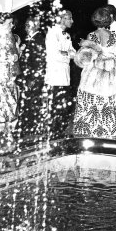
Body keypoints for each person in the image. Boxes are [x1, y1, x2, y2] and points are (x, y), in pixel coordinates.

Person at [73, 7, 116, 138]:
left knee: (92, 104)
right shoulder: (113, 36)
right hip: (110, 79)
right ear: (108, 20)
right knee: (109, 104)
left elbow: (85, 58)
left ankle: (90, 132)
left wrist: (87, 47)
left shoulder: (91, 36)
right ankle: (110, 132)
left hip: (93, 78)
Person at [45, 9, 76, 139]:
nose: (72, 21)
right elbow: (54, 55)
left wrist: (66, 54)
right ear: (63, 19)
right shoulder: (52, 33)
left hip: (65, 75)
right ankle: (53, 134)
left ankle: (59, 133)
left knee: (62, 107)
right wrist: (66, 54)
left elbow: (73, 53)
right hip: (55, 76)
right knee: (55, 108)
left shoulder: (66, 35)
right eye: (70, 18)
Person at [16, 14, 47, 143]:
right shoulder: (30, 39)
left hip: (33, 79)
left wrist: (33, 79)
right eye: (26, 25)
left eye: (30, 25)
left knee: (30, 104)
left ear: (37, 26)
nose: (26, 27)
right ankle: (28, 128)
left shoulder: (39, 39)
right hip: (28, 77)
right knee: (27, 104)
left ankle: (28, 129)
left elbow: (41, 62)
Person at [0, 12, 21, 148]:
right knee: (2, 105)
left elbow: (13, 53)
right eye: (9, 23)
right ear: (1, 23)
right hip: (0, 77)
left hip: (10, 76)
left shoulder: (9, 36)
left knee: (12, 103)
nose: (12, 25)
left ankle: (9, 136)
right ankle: (0, 138)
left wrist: (16, 56)